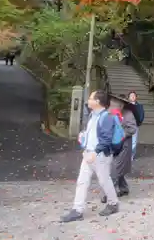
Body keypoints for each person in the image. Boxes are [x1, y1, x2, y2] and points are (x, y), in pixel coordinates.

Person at [61, 90, 119, 223]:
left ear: (97, 102)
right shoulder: (92, 115)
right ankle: (77, 210)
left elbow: (106, 139)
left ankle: (113, 203)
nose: (88, 100)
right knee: (82, 181)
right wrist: (84, 143)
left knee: (104, 181)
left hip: (100, 156)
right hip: (88, 154)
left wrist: (95, 152)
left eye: (91, 98)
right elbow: (91, 134)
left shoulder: (107, 118)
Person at [101, 94, 137, 203]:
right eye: (112, 103)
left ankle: (110, 193)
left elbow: (132, 129)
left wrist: (121, 134)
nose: (112, 105)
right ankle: (123, 188)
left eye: (115, 103)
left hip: (124, 145)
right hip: (113, 145)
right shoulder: (109, 113)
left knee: (116, 167)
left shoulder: (128, 114)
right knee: (117, 167)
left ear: (121, 105)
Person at [128, 91, 144, 160]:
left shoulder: (139, 106)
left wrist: (139, 122)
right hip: (126, 125)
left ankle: (131, 155)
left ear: (136, 97)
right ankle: (125, 154)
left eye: (134, 95)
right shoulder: (126, 105)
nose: (133, 97)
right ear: (129, 97)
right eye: (131, 96)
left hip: (135, 125)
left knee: (134, 141)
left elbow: (142, 115)